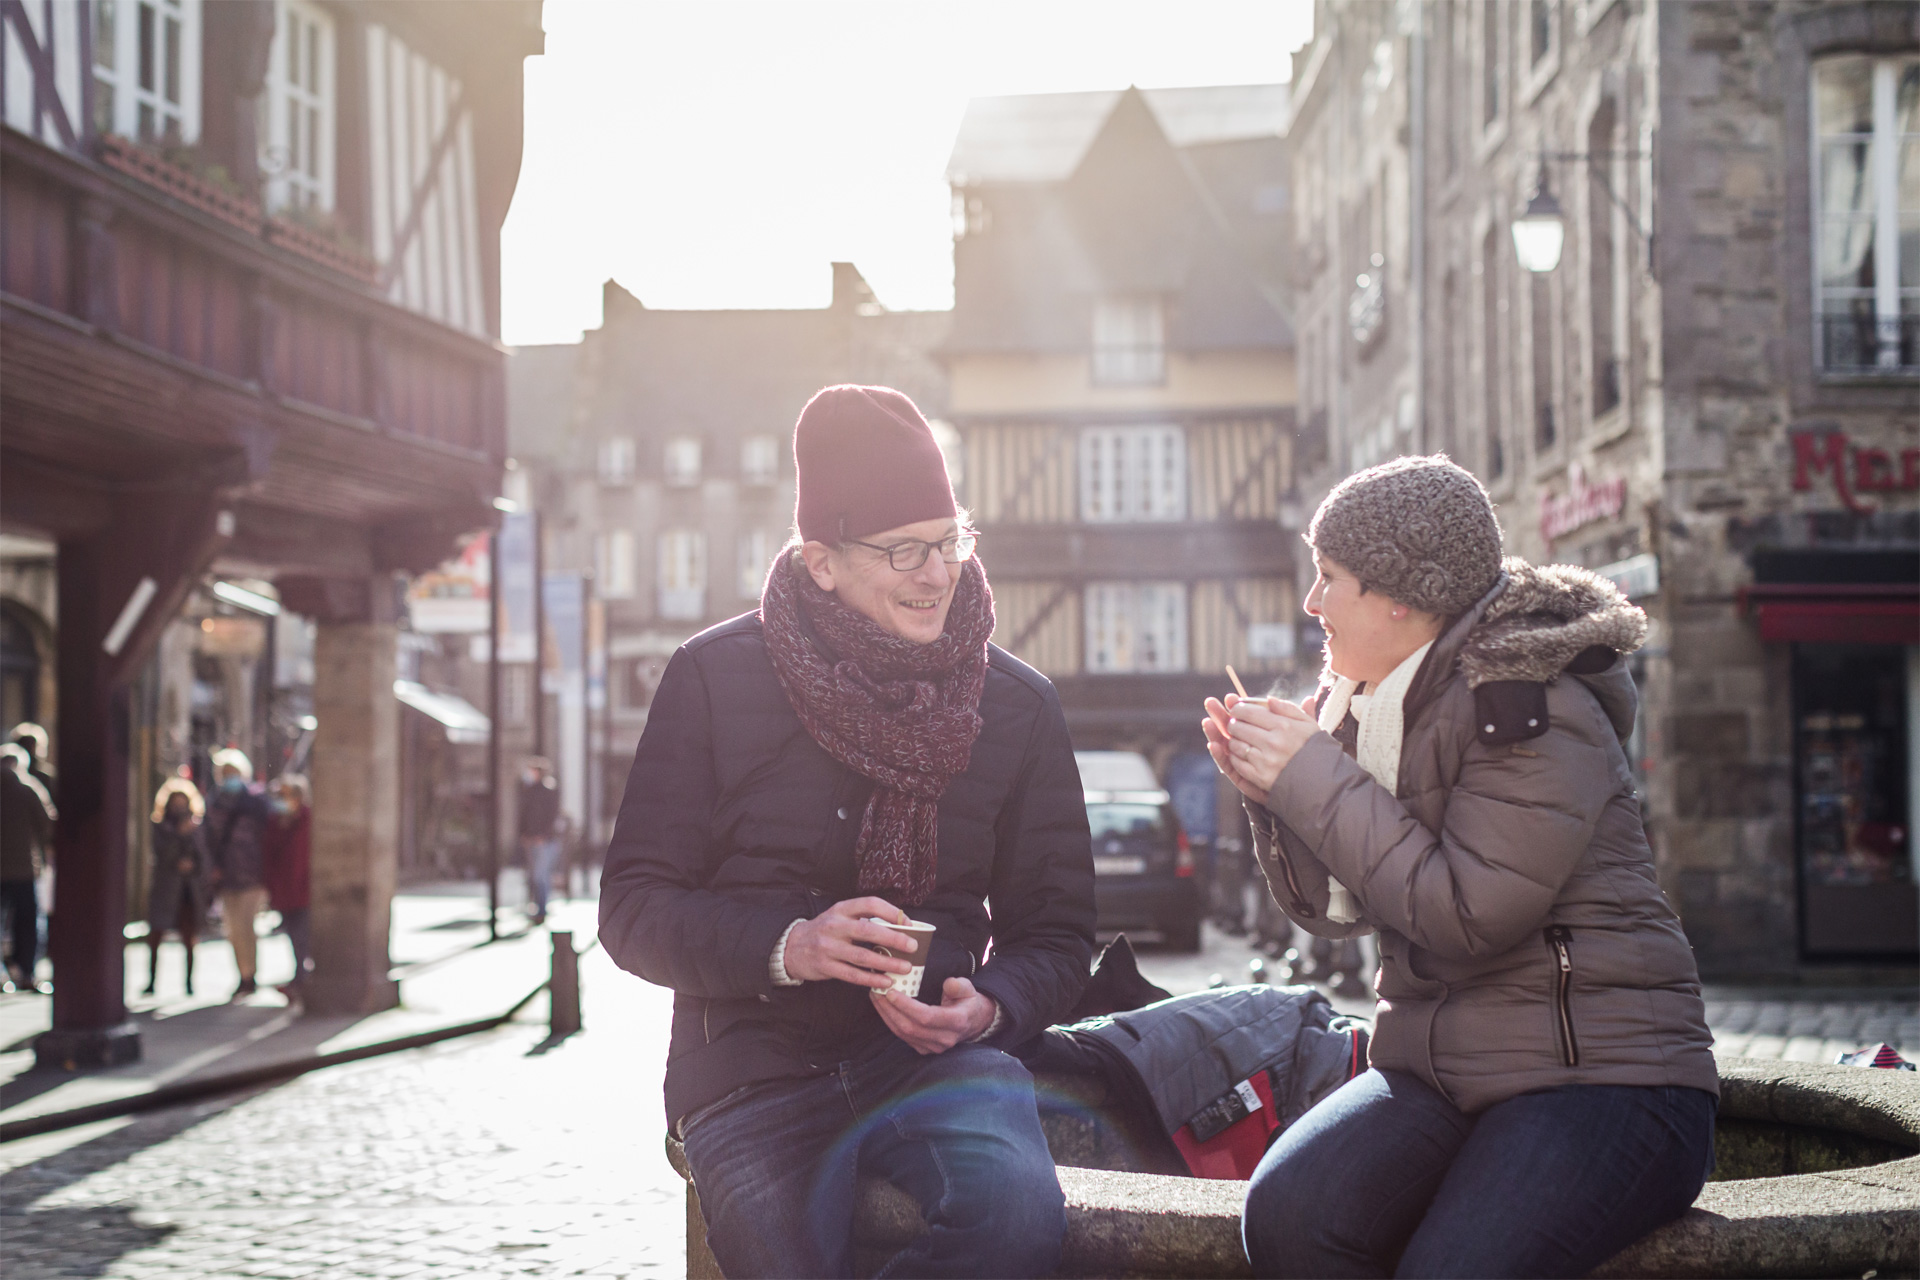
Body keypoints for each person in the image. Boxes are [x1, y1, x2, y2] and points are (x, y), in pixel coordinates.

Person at [600, 384, 1094, 1279]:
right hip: (749, 1068)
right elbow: (632, 910)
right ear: (820, 562)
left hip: (937, 1066)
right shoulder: (713, 678)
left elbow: (1057, 932)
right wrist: (792, 945)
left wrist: (993, 1005)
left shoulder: (1017, 706)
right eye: (904, 550)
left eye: (950, 542)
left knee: (1019, 1226)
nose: (938, 574)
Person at [1205, 456, 1719, 1279]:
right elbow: (1334, 911)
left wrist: (1311, 778)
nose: (1312, 604)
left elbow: (1470, 913)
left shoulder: (1530, 702)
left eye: (1328, 577)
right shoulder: (1377, 707)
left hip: (1610, 1080)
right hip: (1443, 1072)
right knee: (1290, 1215)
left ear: (1399, 594)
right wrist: (1273, 790)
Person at [204, 747, 273, 999]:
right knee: (232, 929)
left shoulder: (256, 800)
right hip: (225, 876)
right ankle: (241, 975)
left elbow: (269, 835)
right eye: (225, 772)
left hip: (253, 875)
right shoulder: (214, 802)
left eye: (233, 772)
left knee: (247, 925)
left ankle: (250, 975)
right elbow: (208, 838)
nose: (229, 777)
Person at [144, 775, 211, 997]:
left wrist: (191, 863)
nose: (179, 807)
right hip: (165, 887)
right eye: (175, 802)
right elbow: (160, 853)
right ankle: (151, 980)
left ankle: (189, 983)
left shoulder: (196, 827)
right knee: (155, 935)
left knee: (189, 937)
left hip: (187, 891)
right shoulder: (160, 826)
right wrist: (177, 839)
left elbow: (203, 858)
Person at [0, 743, 54, 993]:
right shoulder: (28, 788)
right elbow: (47, 826)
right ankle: (27, 973)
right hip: (23, 867)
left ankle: (3, 975)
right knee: (28, 922)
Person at [263, 773, 313, 999]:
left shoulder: (307, 819)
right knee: (293, 935)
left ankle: (301, 979)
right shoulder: (276, 822)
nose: (281, 799)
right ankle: (299, 977)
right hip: (284, 891)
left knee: (302, 935)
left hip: (303, 890)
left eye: (285, 795)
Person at [516, 758, 562, 926]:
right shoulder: (528, 791)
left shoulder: (549, 791)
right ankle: (535, 907)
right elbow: (523, 815)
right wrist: (524, 834)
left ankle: (541, 910)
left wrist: (543, 835)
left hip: (545, 841)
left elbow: (552, 816)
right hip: (531, 839)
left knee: (540, 876)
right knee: (533, 876)